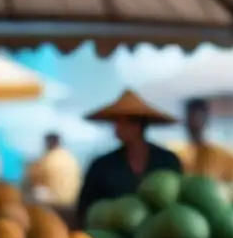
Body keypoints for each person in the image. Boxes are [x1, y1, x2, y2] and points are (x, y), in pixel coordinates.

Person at [77, 90, 182, 219]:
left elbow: (180, 203)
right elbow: (84, 208)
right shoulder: (101, 166)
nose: (115, 127)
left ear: (137, 125)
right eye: (115, 121)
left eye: (121, 121)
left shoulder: (167, 161)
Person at [180, 98, 233, 182]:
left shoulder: (222, 157)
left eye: (197, 118)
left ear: (205, 120)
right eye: (190, 118)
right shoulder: (181, 155)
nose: (193, 124)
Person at [25, 132, 82, 206]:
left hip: (56, 201)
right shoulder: (71, 158)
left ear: (47, 143)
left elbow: (34, 180)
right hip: (72, 199)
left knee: (31, 191)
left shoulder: (47, 159)